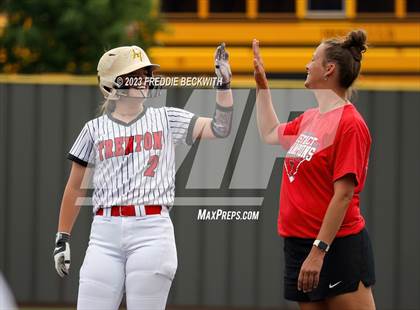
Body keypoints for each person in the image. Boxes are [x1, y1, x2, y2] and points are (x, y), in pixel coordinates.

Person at [53, 44, 233, 309]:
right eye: (137, 73)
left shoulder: (167, 118)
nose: (146, 79)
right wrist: (62, 237)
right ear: (113, 83)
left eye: (146, 73)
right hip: (104, 234)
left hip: (152, 230)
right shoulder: (94, 129)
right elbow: (75, 189)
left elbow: (221, 128)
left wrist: (224, 85)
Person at [253, 30, 376, 310]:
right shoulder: (310, 118)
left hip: (335, 247)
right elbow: (270, 132)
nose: (307, 65)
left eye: (313, 60)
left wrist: (319, 252)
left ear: (329, 69)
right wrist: (262, 85)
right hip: (299, 245)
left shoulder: (350, 124)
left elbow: (344, 195)